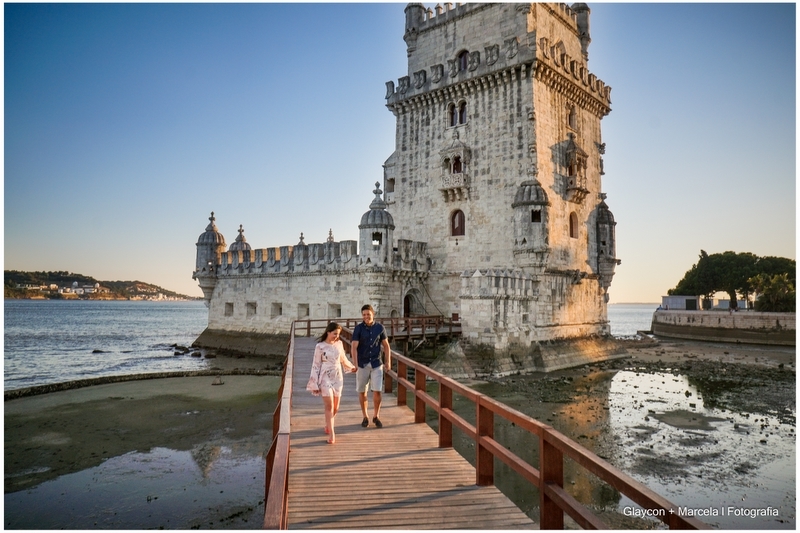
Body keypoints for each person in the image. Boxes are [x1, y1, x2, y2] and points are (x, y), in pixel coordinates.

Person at [306, 322, 356, 444]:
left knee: (336, 407)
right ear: (328, 332)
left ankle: (328, 425)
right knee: (329, 406)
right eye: (334, 334)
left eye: (338, 334)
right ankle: (332, 434)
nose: (336, 336)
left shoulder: (339, 344)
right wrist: (314, 383)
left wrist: (351, 367)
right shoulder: (320, 346)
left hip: (338, 376)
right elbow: (316, 365)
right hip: (324, 376)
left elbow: (343, 359)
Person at [350, 304, 391, 428]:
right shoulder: (358, 329)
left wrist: (388, 361)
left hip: (376, 363)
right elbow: (353, 347)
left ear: (373, 314)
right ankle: (365, 416)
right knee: (362, 391)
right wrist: (355, 364)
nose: (366, 317)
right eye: (364, 315)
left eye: (368, 314)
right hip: (362, 364)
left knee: (377, 390)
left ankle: (376, 416)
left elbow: (386, 346)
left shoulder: (380, 328)